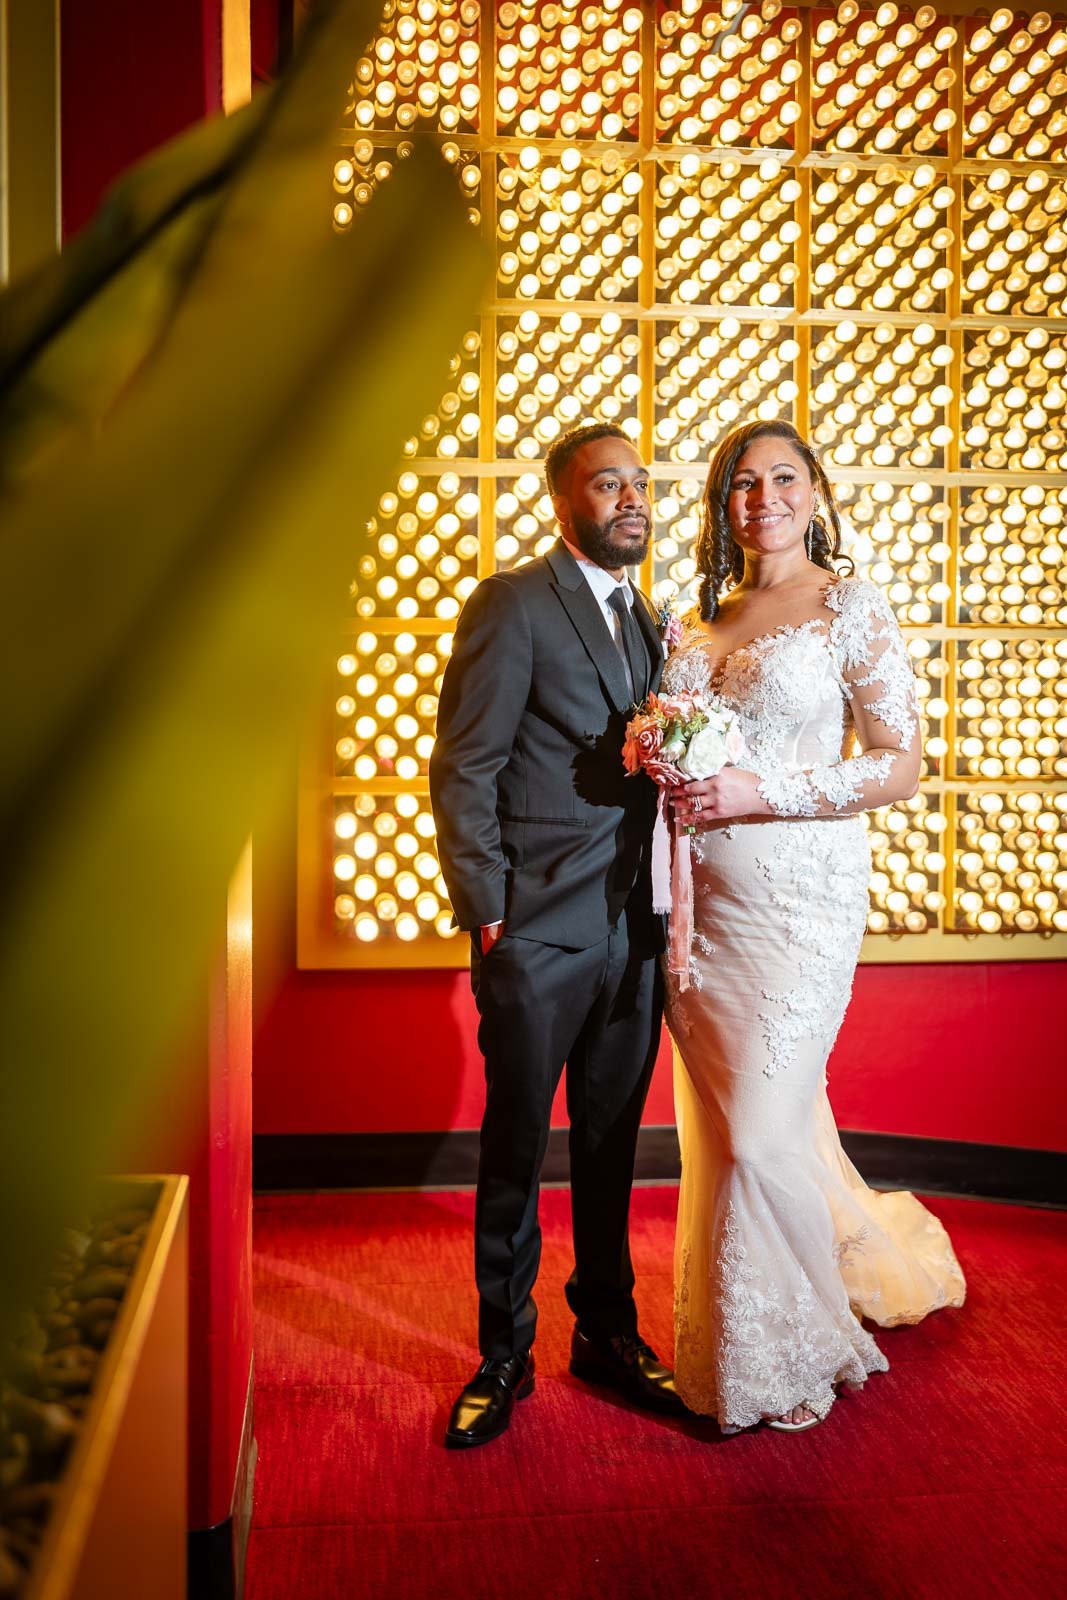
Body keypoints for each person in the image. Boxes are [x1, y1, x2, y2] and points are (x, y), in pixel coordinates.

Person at [662, 419, 966, 1434]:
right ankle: (750, 1324)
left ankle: (793, 1346)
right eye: (741, 484)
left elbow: (897, 764)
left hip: (798, 902)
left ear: (814, 491)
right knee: (737, 1126)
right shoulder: (695, 623)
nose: (763, 498)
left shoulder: (850, 607)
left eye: (781, 478)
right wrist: (652, 759)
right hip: (700, 908)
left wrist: (759, 791)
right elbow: (674, 753)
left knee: (755, 1131)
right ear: (723, 505)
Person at [429, 422, 685, 1448]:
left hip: (636, 927)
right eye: (603, 484)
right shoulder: (513, 604)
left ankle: (605, 1331)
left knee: (612, 1146)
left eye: (637, 481)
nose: (628, 498)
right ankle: (501, 1349)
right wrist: (487, 907)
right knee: (514, 1147)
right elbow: (464, 764)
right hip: (534, 929)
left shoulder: (655, 621)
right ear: (561, 501)